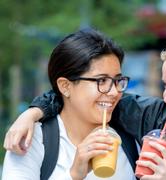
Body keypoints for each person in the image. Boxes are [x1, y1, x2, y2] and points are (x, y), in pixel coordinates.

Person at [2, 28, 139, 180]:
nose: (114, 92)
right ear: (65, 86)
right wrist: (74, 174)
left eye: (117, 81)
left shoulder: (132, 139)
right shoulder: (31, 140)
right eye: (101, 80)